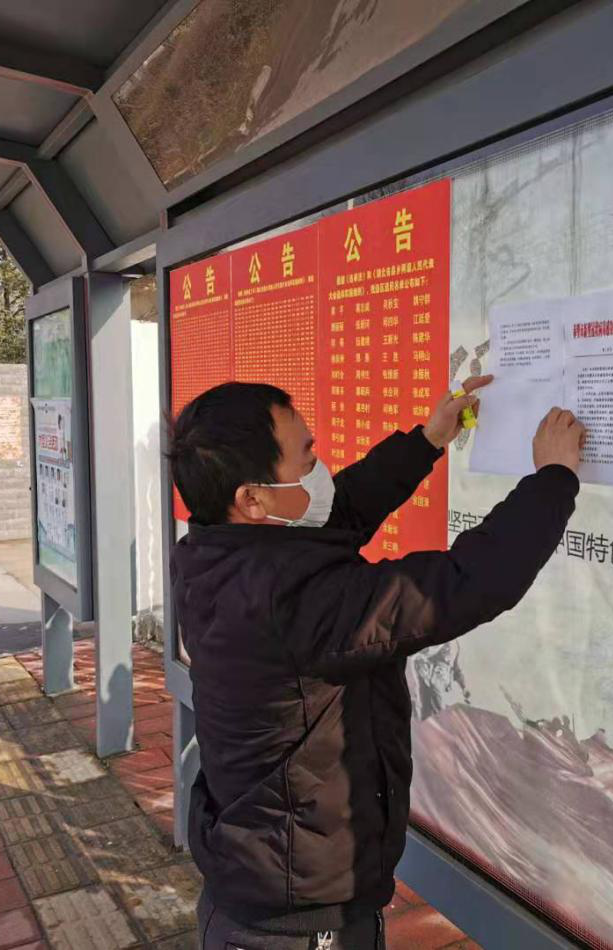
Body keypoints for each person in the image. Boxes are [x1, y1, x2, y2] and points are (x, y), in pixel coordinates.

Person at [167, 377, 585, 950]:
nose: (321, 468)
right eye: (307, 457)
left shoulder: (217, 553)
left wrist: (427, 441)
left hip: (262, 877)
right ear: (253, 499)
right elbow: (464, 583)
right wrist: (553, 479)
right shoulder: (291, 603)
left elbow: (340, 511)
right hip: (296, 919)